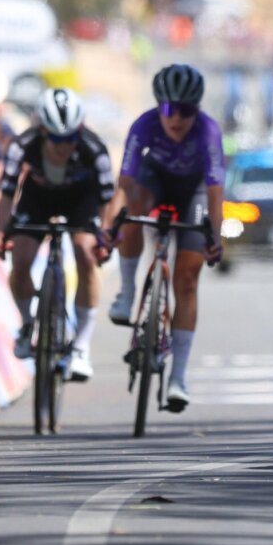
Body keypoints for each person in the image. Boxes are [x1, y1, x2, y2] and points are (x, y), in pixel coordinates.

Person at [103, 64, 225, 412]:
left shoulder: (208, 131)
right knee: (133, 208)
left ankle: (178, 377)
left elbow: (216, 193)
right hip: (153, 180)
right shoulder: (143, 125)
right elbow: (123, 185)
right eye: (171, 109)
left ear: (197, 110)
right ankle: (127, 292)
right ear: (159, 106)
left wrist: (214, 237)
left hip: (195, 192)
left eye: (187, 111)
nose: (178, 119)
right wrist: (110, 227)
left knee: (187, 278)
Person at [0, 88, 113, 380]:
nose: (64, 146)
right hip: (38, 198)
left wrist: (104, 238)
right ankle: (26, 323)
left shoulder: (94, 149)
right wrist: (2, 232)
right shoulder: (22, 145)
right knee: (20, 261)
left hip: (80, 200)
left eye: (70, 138)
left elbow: (108, 198)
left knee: (86, 255)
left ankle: (81, 345)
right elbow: (7, 194)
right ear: (42, 131)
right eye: (57, 139)